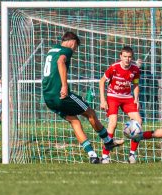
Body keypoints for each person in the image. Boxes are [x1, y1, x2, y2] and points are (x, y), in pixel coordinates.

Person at [41, 31, 123, 164]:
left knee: (75, 121)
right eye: (76, 47)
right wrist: (64, 86)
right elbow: (61, 62)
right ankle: (108, 142)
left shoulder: (51, 50)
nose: (75, 50)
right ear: (72, 42)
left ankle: (92, 155)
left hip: (48, 97)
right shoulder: (66, 50)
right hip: (60, 94)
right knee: (90, 113)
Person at [98, 45, 143, 164]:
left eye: (129, 57)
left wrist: (136, 99)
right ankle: (105, 156)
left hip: (127, 98)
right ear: (120, 56)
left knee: (138, 121)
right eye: (125, 56)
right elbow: (102, 81)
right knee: (113, 123)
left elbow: (136, 84)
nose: (127, 59)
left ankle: (132, 155)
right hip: (113, 97)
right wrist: (103, 100)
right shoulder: (114, 68)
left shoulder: (135, 70)